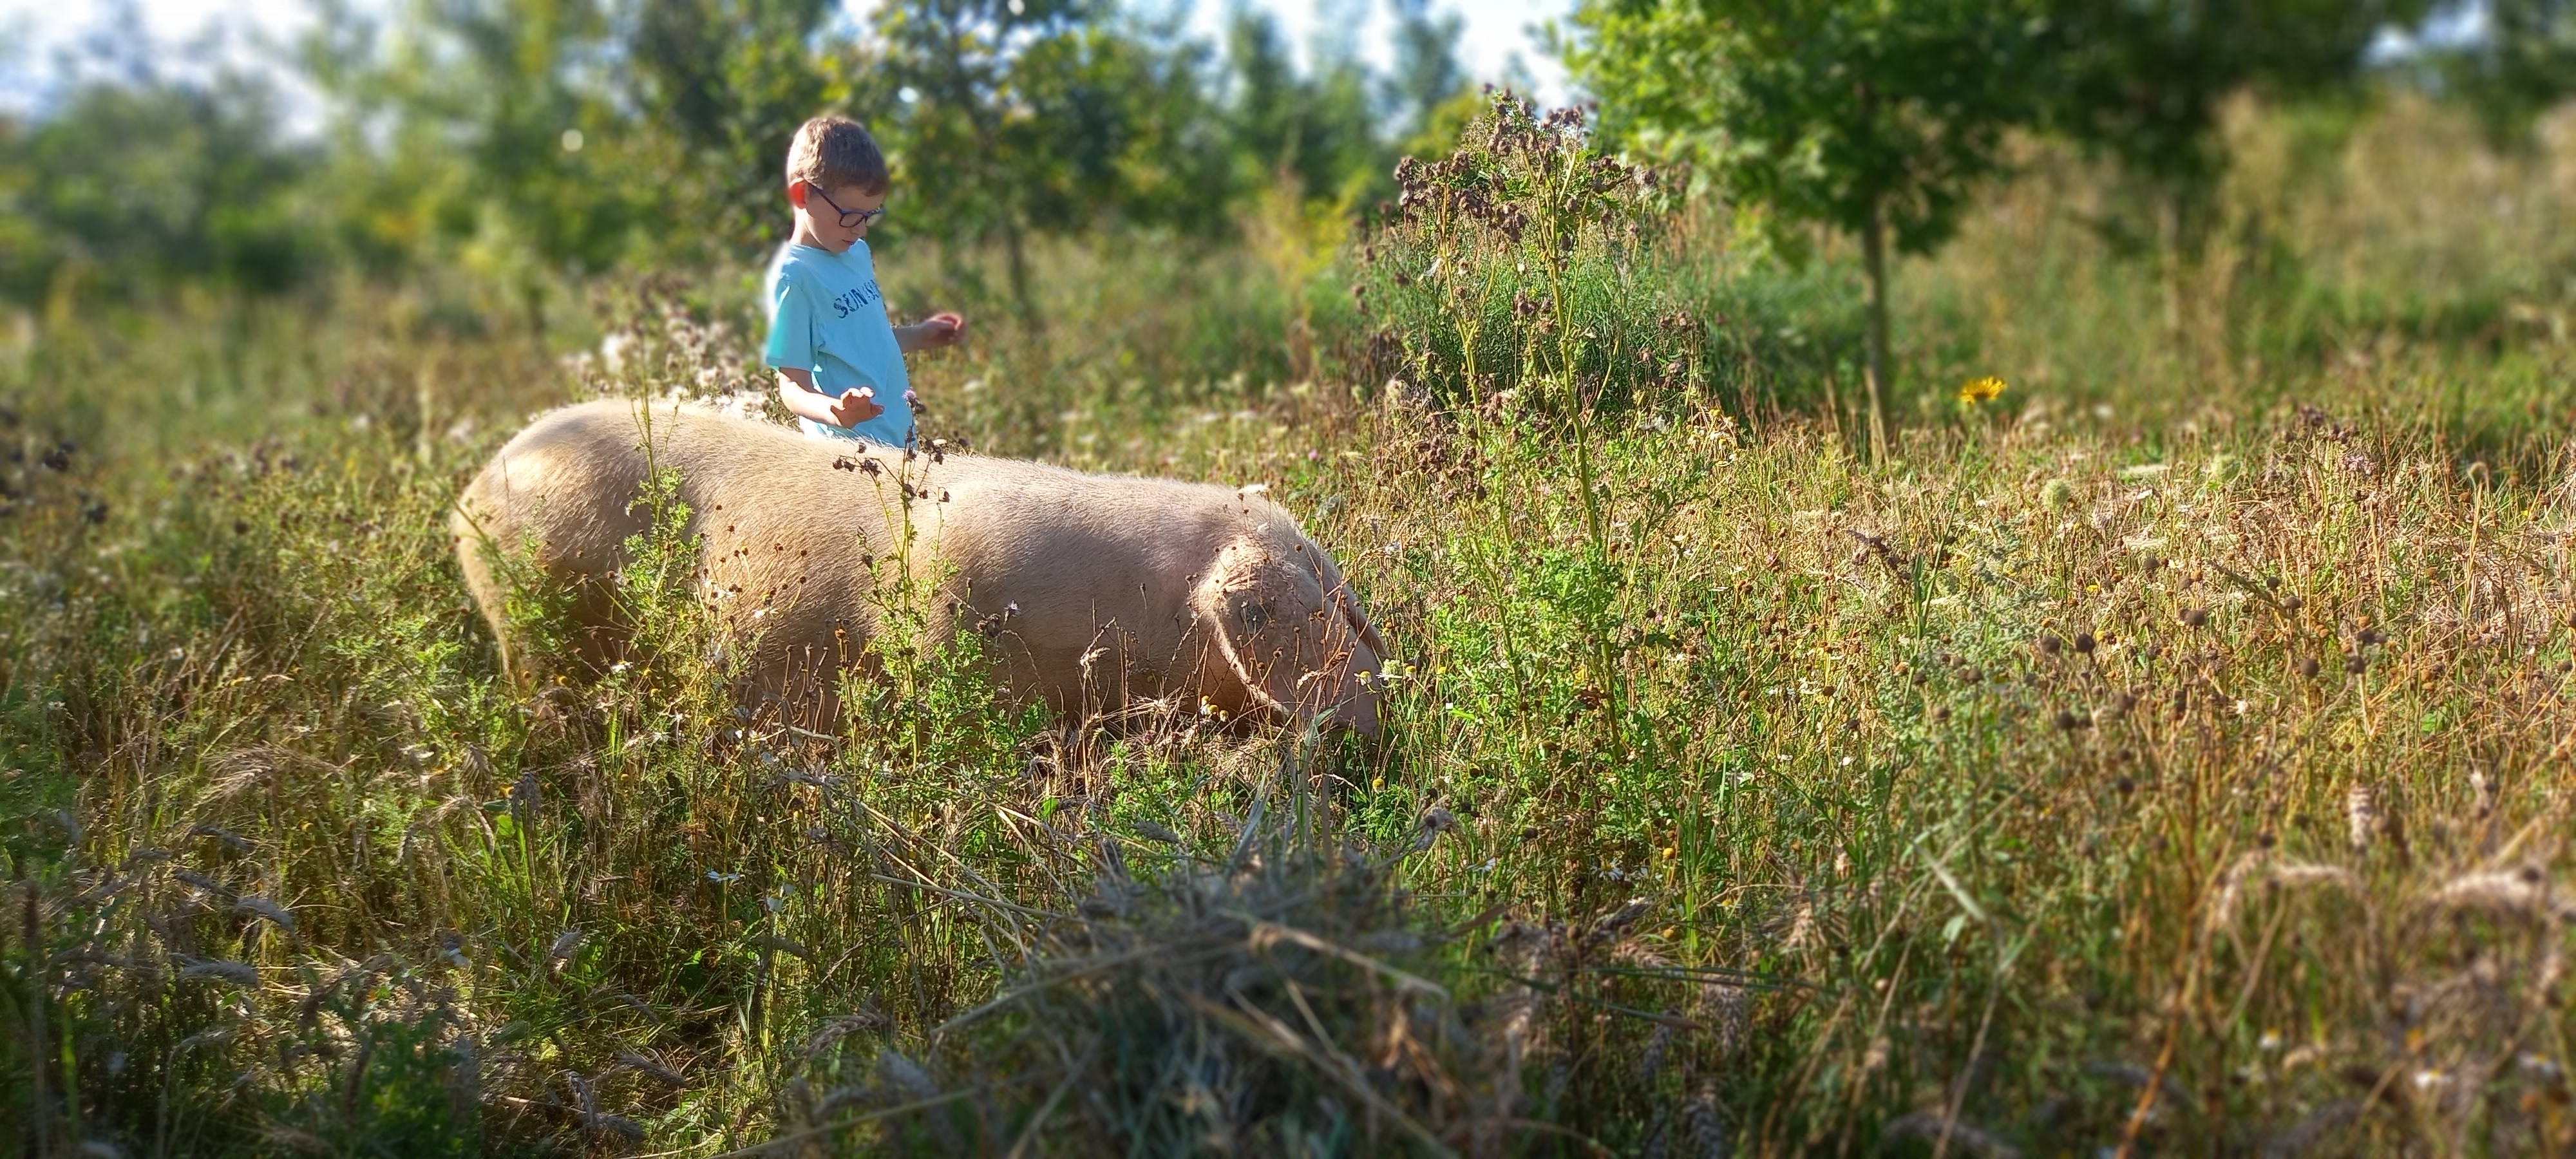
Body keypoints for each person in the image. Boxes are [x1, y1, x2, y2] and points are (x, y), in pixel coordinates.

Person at [762, 115, 965, 447]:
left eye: (869, 215)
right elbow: (791, 388)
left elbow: (861, 342)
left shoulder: (855, 253)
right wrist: (835, 411)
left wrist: (919, 336)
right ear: (802, 195)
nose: (860, 229)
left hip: (898, 442)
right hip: (850, 456)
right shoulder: (795, 277)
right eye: (849, 215)